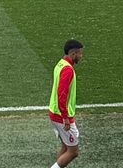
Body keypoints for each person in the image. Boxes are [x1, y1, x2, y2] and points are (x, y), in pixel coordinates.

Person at [48, 39, 84, 168]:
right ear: (73, 53)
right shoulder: (68, 70)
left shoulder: (60, 64)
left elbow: (54, 84)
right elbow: (61, 95)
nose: (81, 56)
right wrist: (65, 118)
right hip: (61, 116)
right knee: (73, 151)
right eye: (80, 53)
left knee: (65, 145)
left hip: (54, 112)